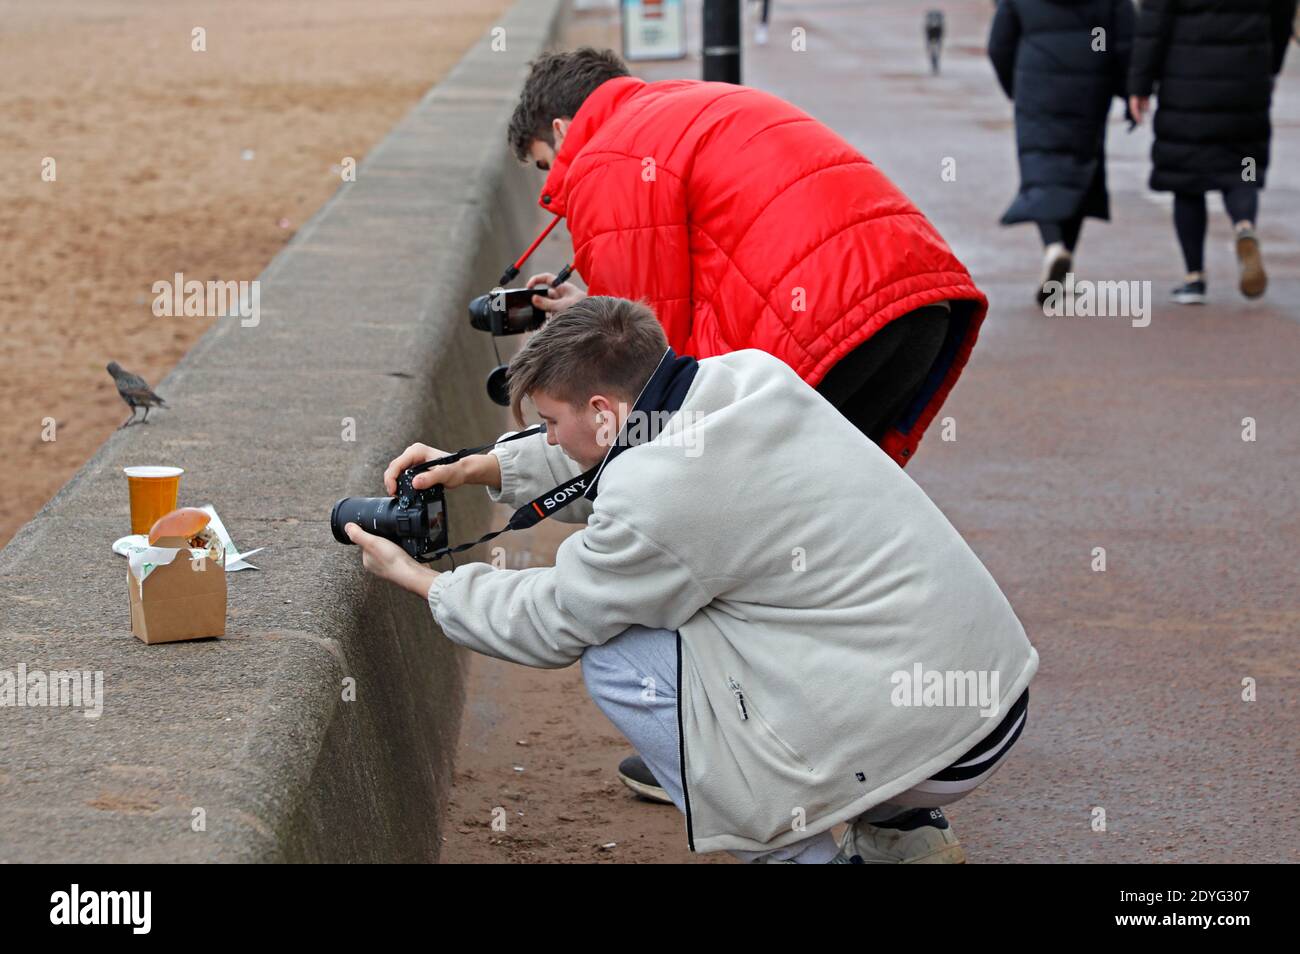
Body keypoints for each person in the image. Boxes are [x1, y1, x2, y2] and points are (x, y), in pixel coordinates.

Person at [344, 296, 1039, 864]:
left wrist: (422, 581)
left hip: (931, 745)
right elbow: (631, 458)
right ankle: (901, 835)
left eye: (551, 423)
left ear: (603, 413)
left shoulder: (661, 495)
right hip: (990, 700)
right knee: (734, 604)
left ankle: (791, 854)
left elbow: (558, 618)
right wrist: (476, 466)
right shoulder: (747, 379)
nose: (549, 439)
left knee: (621, 655)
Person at [508, 50, 992, 792]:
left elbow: (645, 379)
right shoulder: (680, 108)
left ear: (564, 127)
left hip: (828, 326)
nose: (551, 188)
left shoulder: (603, 155)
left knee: (735, 543)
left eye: (545, 164)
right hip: (907, 301)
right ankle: (900, 744)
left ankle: (763, 758)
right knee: (820, 546)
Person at [1128, 0, 1297, 304]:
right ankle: (1244, 226)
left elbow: (1154, 24)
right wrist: (1270, 67)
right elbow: (1282, 13)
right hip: (1247, 78)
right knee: (1243, 166)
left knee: (1186, 179)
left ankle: (1194, 278)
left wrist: (1139, 84)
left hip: (1185, 79)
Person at [989, 0, 1135, 304]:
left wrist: (1016, 87)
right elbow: (1123, 43)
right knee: (1079, 169)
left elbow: (999, 45)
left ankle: (1054, 247)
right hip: (1090, 85)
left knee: (1041, 171)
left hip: (1037, 84)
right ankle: (1065, 264)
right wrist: (1128, 89)